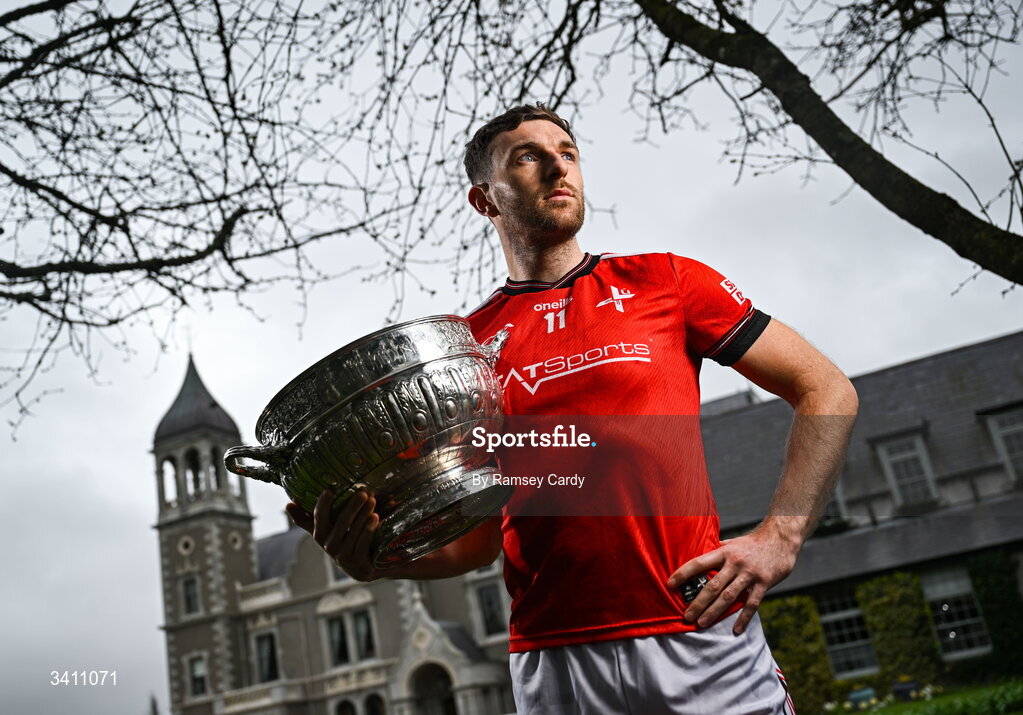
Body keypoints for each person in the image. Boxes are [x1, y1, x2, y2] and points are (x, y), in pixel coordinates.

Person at [287, 103, 859, 714]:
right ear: (485, 200)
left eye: (568, 153)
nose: (558, 168)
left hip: (696, 630)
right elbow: (478, 542)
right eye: (527, 157)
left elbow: (825, 389)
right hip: (553, 660)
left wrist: (782, 535)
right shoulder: (464, 351)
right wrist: (383, 561)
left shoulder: (666, 281)